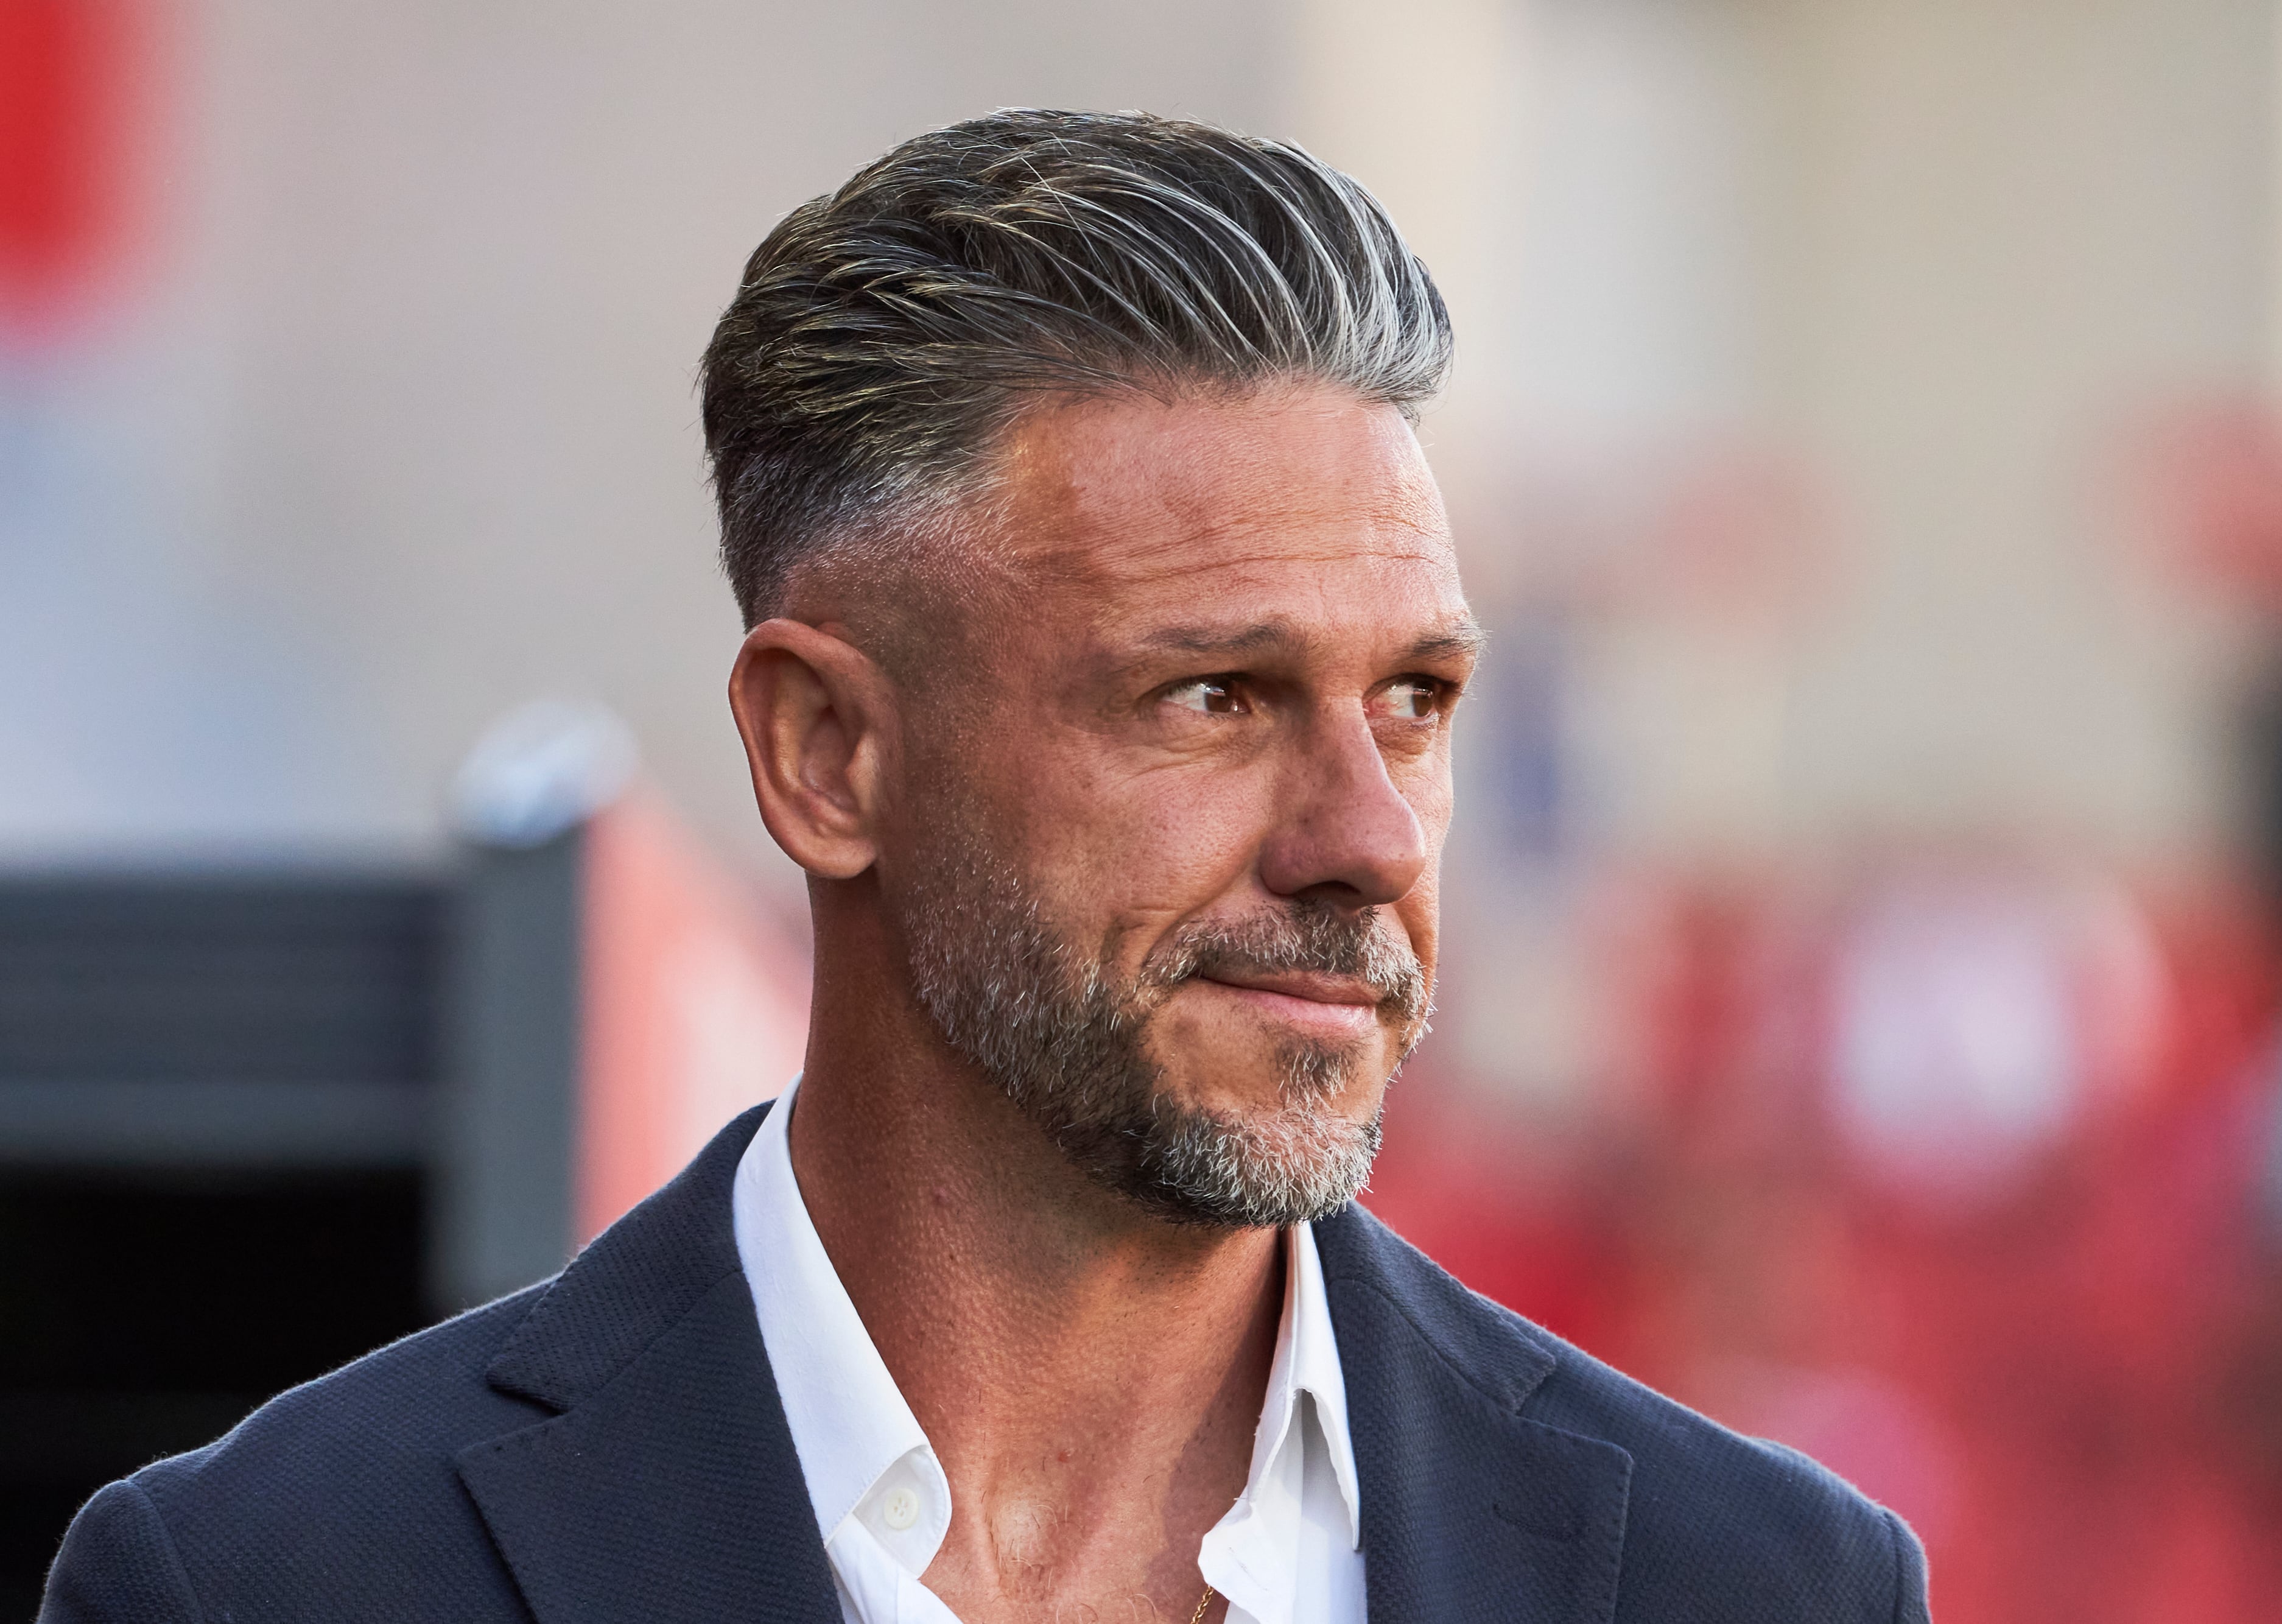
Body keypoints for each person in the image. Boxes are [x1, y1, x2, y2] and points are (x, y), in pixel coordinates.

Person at [41, 109, 1928, 1624]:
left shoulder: (1760, 1583)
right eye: (1212, 696)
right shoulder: (273, 1581)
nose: (1365, 834)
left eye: (1418, 701)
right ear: (825, 755)